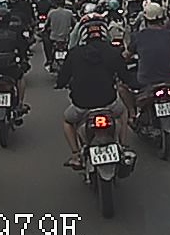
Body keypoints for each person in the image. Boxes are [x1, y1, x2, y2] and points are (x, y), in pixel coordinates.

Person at [55, 14, 133, 168]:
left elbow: (62, 78)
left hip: (81, 105)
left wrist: (60, 84)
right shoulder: (113, 51)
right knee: (123, 113)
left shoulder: (74, 53)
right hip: (109, 103)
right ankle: (123, 147)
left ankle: (76, 155)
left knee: (67, 121)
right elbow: (125, 76)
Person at [121, 1, 170, 119]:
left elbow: (127, 55)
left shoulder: (138, 36)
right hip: (167, 78)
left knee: (121, 86)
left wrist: (120, 61)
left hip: (144, 80)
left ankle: (132, 114)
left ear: (145, 19)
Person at [0, 6, 33, 113]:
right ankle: (20, 104)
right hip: (11, 68)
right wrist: (23, 60)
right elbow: (23, 49)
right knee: (20, 78)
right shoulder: (15, 35)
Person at [45, 0, 76, 70]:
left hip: (54, 38)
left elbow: (46, 25)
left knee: (47, 45)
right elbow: (74, 24)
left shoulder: (51, 13)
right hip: (66, 38)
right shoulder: (69, 13)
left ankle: (49, 60)